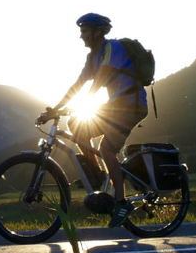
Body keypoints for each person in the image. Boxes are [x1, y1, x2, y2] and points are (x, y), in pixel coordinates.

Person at [48, 13, 149, 227]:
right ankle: (96, 174)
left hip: (131, 105)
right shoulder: (91, 57)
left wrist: (85, 102)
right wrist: (54, 109)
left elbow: (103, 76)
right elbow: (78, 84)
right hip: (117, 106)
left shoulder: (113, 48)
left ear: (97, 32)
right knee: (76, 124)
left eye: (84, 31)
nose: (81, 36)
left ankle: (122, 203)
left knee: (106, 148)